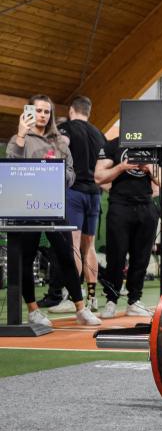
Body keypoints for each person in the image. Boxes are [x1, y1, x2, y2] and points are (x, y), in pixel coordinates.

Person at [5, 95, 102, 327]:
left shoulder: (59, 141)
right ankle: (33, 311)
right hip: (25, 208)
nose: (42, 115)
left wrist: (56, 173)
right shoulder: (19, 139)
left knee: (66, 255)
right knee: (26, 258)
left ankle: (81, 309)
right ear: (29, 112)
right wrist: (21, 135)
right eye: (38, 111)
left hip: (54, 206)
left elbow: (71, 174)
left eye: (46, 111)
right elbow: (12, 165)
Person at [50, 96, 106, 313]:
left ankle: (73, 296)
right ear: (88, 112)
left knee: (73, 245)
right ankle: (92, 299)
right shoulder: (99, 133)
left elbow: (62, 145)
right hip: (95, 194)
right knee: (89, 247)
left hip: (74, 192)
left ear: (71, 110)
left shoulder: (67, 127)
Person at [94, 137, 158, 318]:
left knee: (141, 257)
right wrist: (121, 167)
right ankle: (111, 300)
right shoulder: (113, 145)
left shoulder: (152, 145)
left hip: (145, 206)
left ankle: (134, 301)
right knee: (116, 256)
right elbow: (99, 177)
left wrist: (149, 169)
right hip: (120, 206)